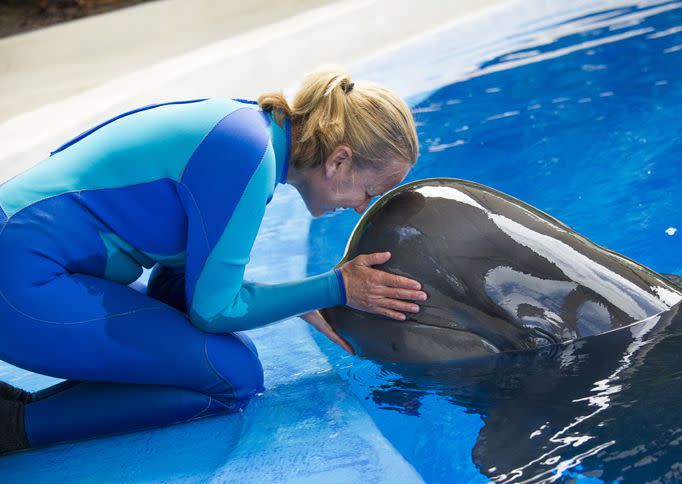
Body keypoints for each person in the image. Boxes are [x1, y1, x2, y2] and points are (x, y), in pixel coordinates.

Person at [0, 66, 427, 455]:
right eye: (369, 191)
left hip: (25, 264)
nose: (361, 208)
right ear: (338, 160)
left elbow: (178, 282)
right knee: (232, 377)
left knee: (206, 352)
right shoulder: (246, 154)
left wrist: (301, 301)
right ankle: (13, 423)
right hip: (19, 282)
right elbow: (213, 310)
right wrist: (338, 288)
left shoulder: (251, 132)